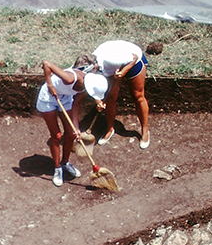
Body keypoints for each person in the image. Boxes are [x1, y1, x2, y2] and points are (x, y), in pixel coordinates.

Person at [36, 59, 107, 187]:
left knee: (71, 133)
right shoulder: (70, 79)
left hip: (64, 98)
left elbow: (76, 104)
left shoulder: (84, 88)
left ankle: (65, 162)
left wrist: (76, 127)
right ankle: (57, 168)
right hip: (48, 97)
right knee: (57, 136)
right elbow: (47, 63)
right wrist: (50, 85)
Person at [91, 40, 150, 149]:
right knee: (110, 97)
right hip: (113, 67)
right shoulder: (91, 70)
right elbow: (93, 89)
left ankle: (145, 130)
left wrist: (124, 71)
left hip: (133, 61)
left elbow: (134, 57)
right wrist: (98, 101)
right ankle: (110, 129)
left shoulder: (110, 59)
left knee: (138, 96)